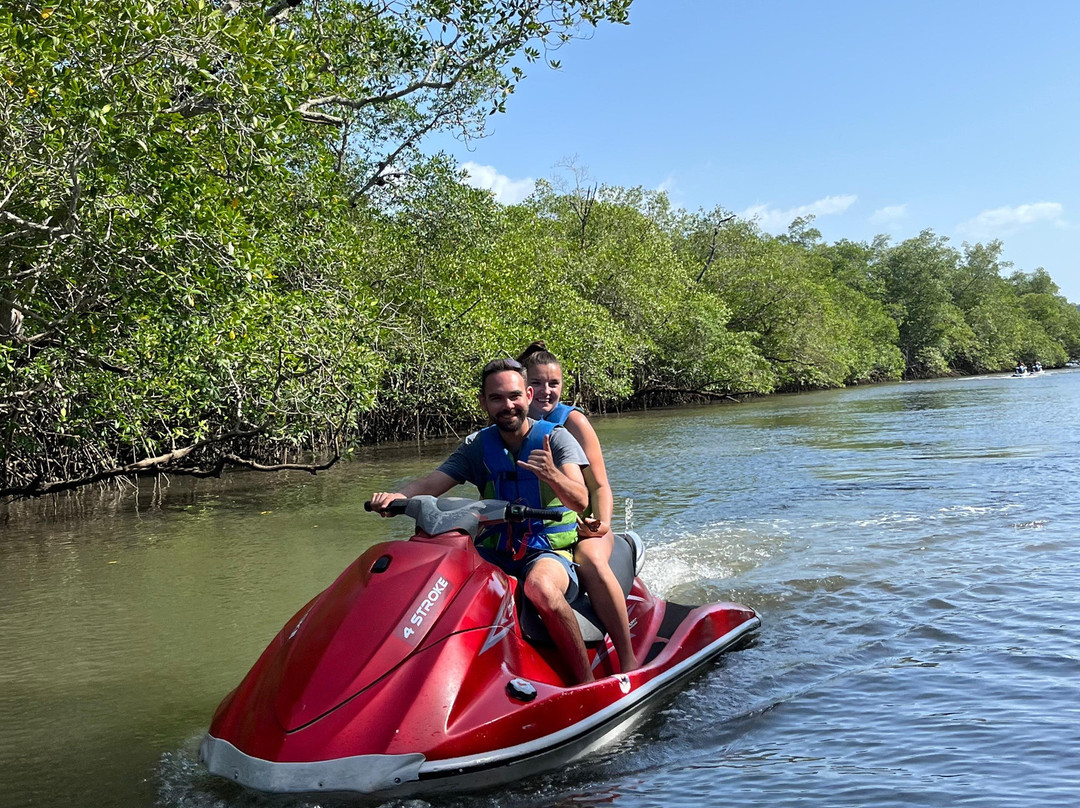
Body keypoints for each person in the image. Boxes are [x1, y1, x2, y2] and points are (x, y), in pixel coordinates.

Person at [370, 358, 597, 684]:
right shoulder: (478, 447)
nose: (508, 405)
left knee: (540, 589)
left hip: (548, 552)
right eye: (497, 398)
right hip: (496, 551)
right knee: (435, 577)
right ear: (484, 403)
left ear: (529, 396)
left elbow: (580, 499)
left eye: (515, 396)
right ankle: (411, 675)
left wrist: (553, 476)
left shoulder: (556, 439)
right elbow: (431, 484)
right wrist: (396, 497)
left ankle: (585, 680)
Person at [518, 341, 639, 673]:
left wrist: (598, 523)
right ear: (524, 388)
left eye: (553, 384)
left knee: (591, 562)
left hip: (585, 522)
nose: (546, 391)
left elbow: (599, 486)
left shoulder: (572, 423)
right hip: (539, 528)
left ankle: (627, 658)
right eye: (538, 383)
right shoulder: (511, 423)